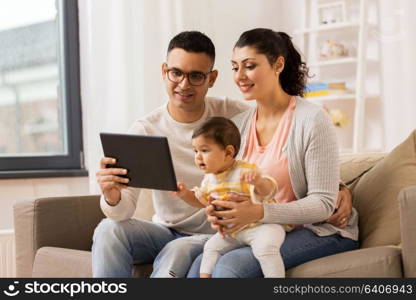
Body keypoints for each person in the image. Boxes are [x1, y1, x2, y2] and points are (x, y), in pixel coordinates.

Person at [93, 30, 353, 278]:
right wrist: (111, 196)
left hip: (235, 229)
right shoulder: (150, 129)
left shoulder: (231, 118)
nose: (184, 84)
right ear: (164, 72)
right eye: (176, 73)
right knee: (109, 230)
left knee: (197, 257)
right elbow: (122, 210)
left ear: (211, 79)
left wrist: (338, 188)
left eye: (196, 76)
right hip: (192, 229)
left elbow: (308, 174)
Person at [187, 28, 359, 278]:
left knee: (231, 267)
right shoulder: (237, 125)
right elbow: (227, 182)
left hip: (320, 230)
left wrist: (260, 212)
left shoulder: (312, 119)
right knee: (198, 266)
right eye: (235, 67)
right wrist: (220, 211)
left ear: (278, 64)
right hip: (259, 227)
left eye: (249, 66)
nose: (240, 76)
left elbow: (323, 203)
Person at [173, 116, 287, 278]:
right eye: (195, 151)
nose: (198, 157)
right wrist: (184, 194)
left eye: (204, 150)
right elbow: (200, 201)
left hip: (262, 227)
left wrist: (259, 181)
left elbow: (269, 191)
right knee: (211, 247)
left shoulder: (245, 171)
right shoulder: (209, 179)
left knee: (266, 249)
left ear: (228, 152)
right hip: (234, 232)